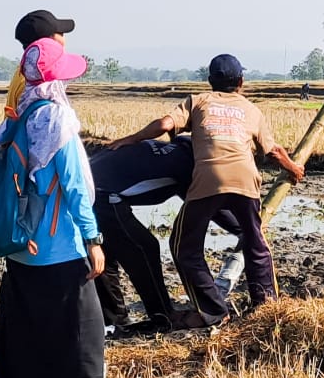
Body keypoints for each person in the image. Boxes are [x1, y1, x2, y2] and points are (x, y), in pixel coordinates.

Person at [110, 54, 304, 327]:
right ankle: (266, 306)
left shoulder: (198, 101)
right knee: (256, 243)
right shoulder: (252, 110)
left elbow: (165, 124)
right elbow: (273, 150)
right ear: (241, 82)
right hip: (247, 181)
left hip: (208, 181)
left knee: (183, 246)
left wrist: (130, 139)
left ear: (211, 81)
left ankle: (215, 310)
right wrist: (293, 168)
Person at [0, 36, 105, 378]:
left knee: (27, 339)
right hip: (60, 252)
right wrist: (92, 238)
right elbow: (74, 187)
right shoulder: (56, 121)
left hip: (20, 252)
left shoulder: (11, 122)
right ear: (58, 80)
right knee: (83, 340)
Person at [87, 135, 241, 334]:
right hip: (101, 194)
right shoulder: (189, 166)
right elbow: (213, 209)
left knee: (107, 252)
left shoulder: (172, 151)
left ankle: (115, 321)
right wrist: (245, 229)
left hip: (87, 189)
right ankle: (164, 315)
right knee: (143, 248)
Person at [4, 9, 76, 117]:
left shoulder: (24, 72)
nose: (64, 39)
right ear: (48, 42)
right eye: (60, 33)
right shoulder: (37, 81)